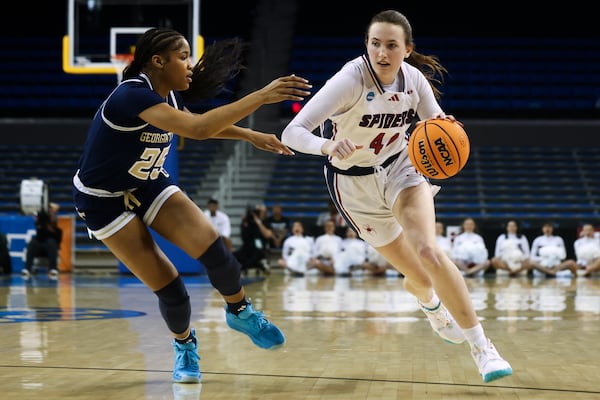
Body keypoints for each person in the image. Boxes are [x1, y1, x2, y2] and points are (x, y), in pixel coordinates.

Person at [281, 10, 512, 382]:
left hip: (401, 167)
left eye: (391, 45)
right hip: (353, 185)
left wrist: (447, 128)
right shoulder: (349, 81)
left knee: (429, 252)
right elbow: (292, 132)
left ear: (406, 49)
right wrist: (325, 145)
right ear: (367, 46)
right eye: (375, 43)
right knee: (420, 276)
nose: (382, 52)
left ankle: (483, 348)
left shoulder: (413, 80)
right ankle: (429, 304)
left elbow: (435, 124)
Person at [71, 27, 311, 384]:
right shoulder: (130, 96)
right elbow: (197, 130)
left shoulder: (165, 98)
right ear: (158, 61)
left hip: (148, 183)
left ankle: (240, 311)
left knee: (216, 250)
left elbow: (199, 125)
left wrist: (250, 135)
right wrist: (260, 96)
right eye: (183, 56)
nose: (190, 65)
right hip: (104, 201)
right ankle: (184, 346)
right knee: (172, 290)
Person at [22, 202, 62, 278]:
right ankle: (27, 269)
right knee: (32, 243)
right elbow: (37, 223)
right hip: (39, 246)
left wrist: (50, 227)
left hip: (49, 248)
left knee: (51, 243)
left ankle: (53, 269)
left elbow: (58, 242)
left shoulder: (58, 231)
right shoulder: (41, 222)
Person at [234, 204, 272, 275]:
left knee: (257, 255)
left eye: (261, 211)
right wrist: (244, 223)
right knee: (233, 256)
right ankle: (259, 265)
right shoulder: (247, 222)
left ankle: (245, 267)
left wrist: (258, 223)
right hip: (247, 247)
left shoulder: (266, 222)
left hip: (259, 247)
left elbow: (268, 235)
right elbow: (244, 238)